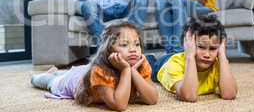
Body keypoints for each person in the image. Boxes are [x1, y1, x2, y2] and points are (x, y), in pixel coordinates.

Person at [31, 20, 159, 111]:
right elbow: (119, 105)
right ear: (108, 49)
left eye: (137, 44)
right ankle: (40, 76)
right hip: (74, 82)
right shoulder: (100, 71)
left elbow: (152, 99)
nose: (133, 50)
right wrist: (126, 70)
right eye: (124, 45)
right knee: (52, 80)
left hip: (85, 71)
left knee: (76, 70)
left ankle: (59, 71)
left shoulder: (140, 63)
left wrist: (134, 71)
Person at [147, 15, 237, 102]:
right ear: (188, 45)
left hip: (183, 55)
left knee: (175, 53)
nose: (207, 54)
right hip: (163, 64)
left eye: (213, 48)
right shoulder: (173, 66)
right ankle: (150, 57)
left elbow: (229, 94)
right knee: (147, 65)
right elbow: (189, 96)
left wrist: (222, 55)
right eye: (201, 47)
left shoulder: (218, 65)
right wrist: (190, 56)